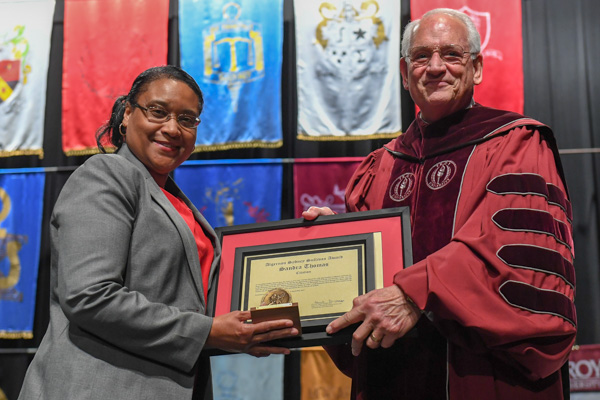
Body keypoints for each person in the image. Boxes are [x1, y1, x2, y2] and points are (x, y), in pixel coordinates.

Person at [303, 8, 576, 400]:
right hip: (390, 373)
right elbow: (367, 284)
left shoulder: (515, 144)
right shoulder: (381, 165)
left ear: (477, 68)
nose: (435, 67)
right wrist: (336, 245)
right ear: (403, 72)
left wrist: (417, 291)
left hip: (483, 374)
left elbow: (516, 256)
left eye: (451, 54)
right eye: (421, 56)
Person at [18, 66, 297, 400]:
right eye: (158, 112)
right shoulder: (107, 174)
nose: (172, 128)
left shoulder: (173, 199)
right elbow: (90, 296)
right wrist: (209, 332)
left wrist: (313, 236)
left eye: (187, 119)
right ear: (126, 115)